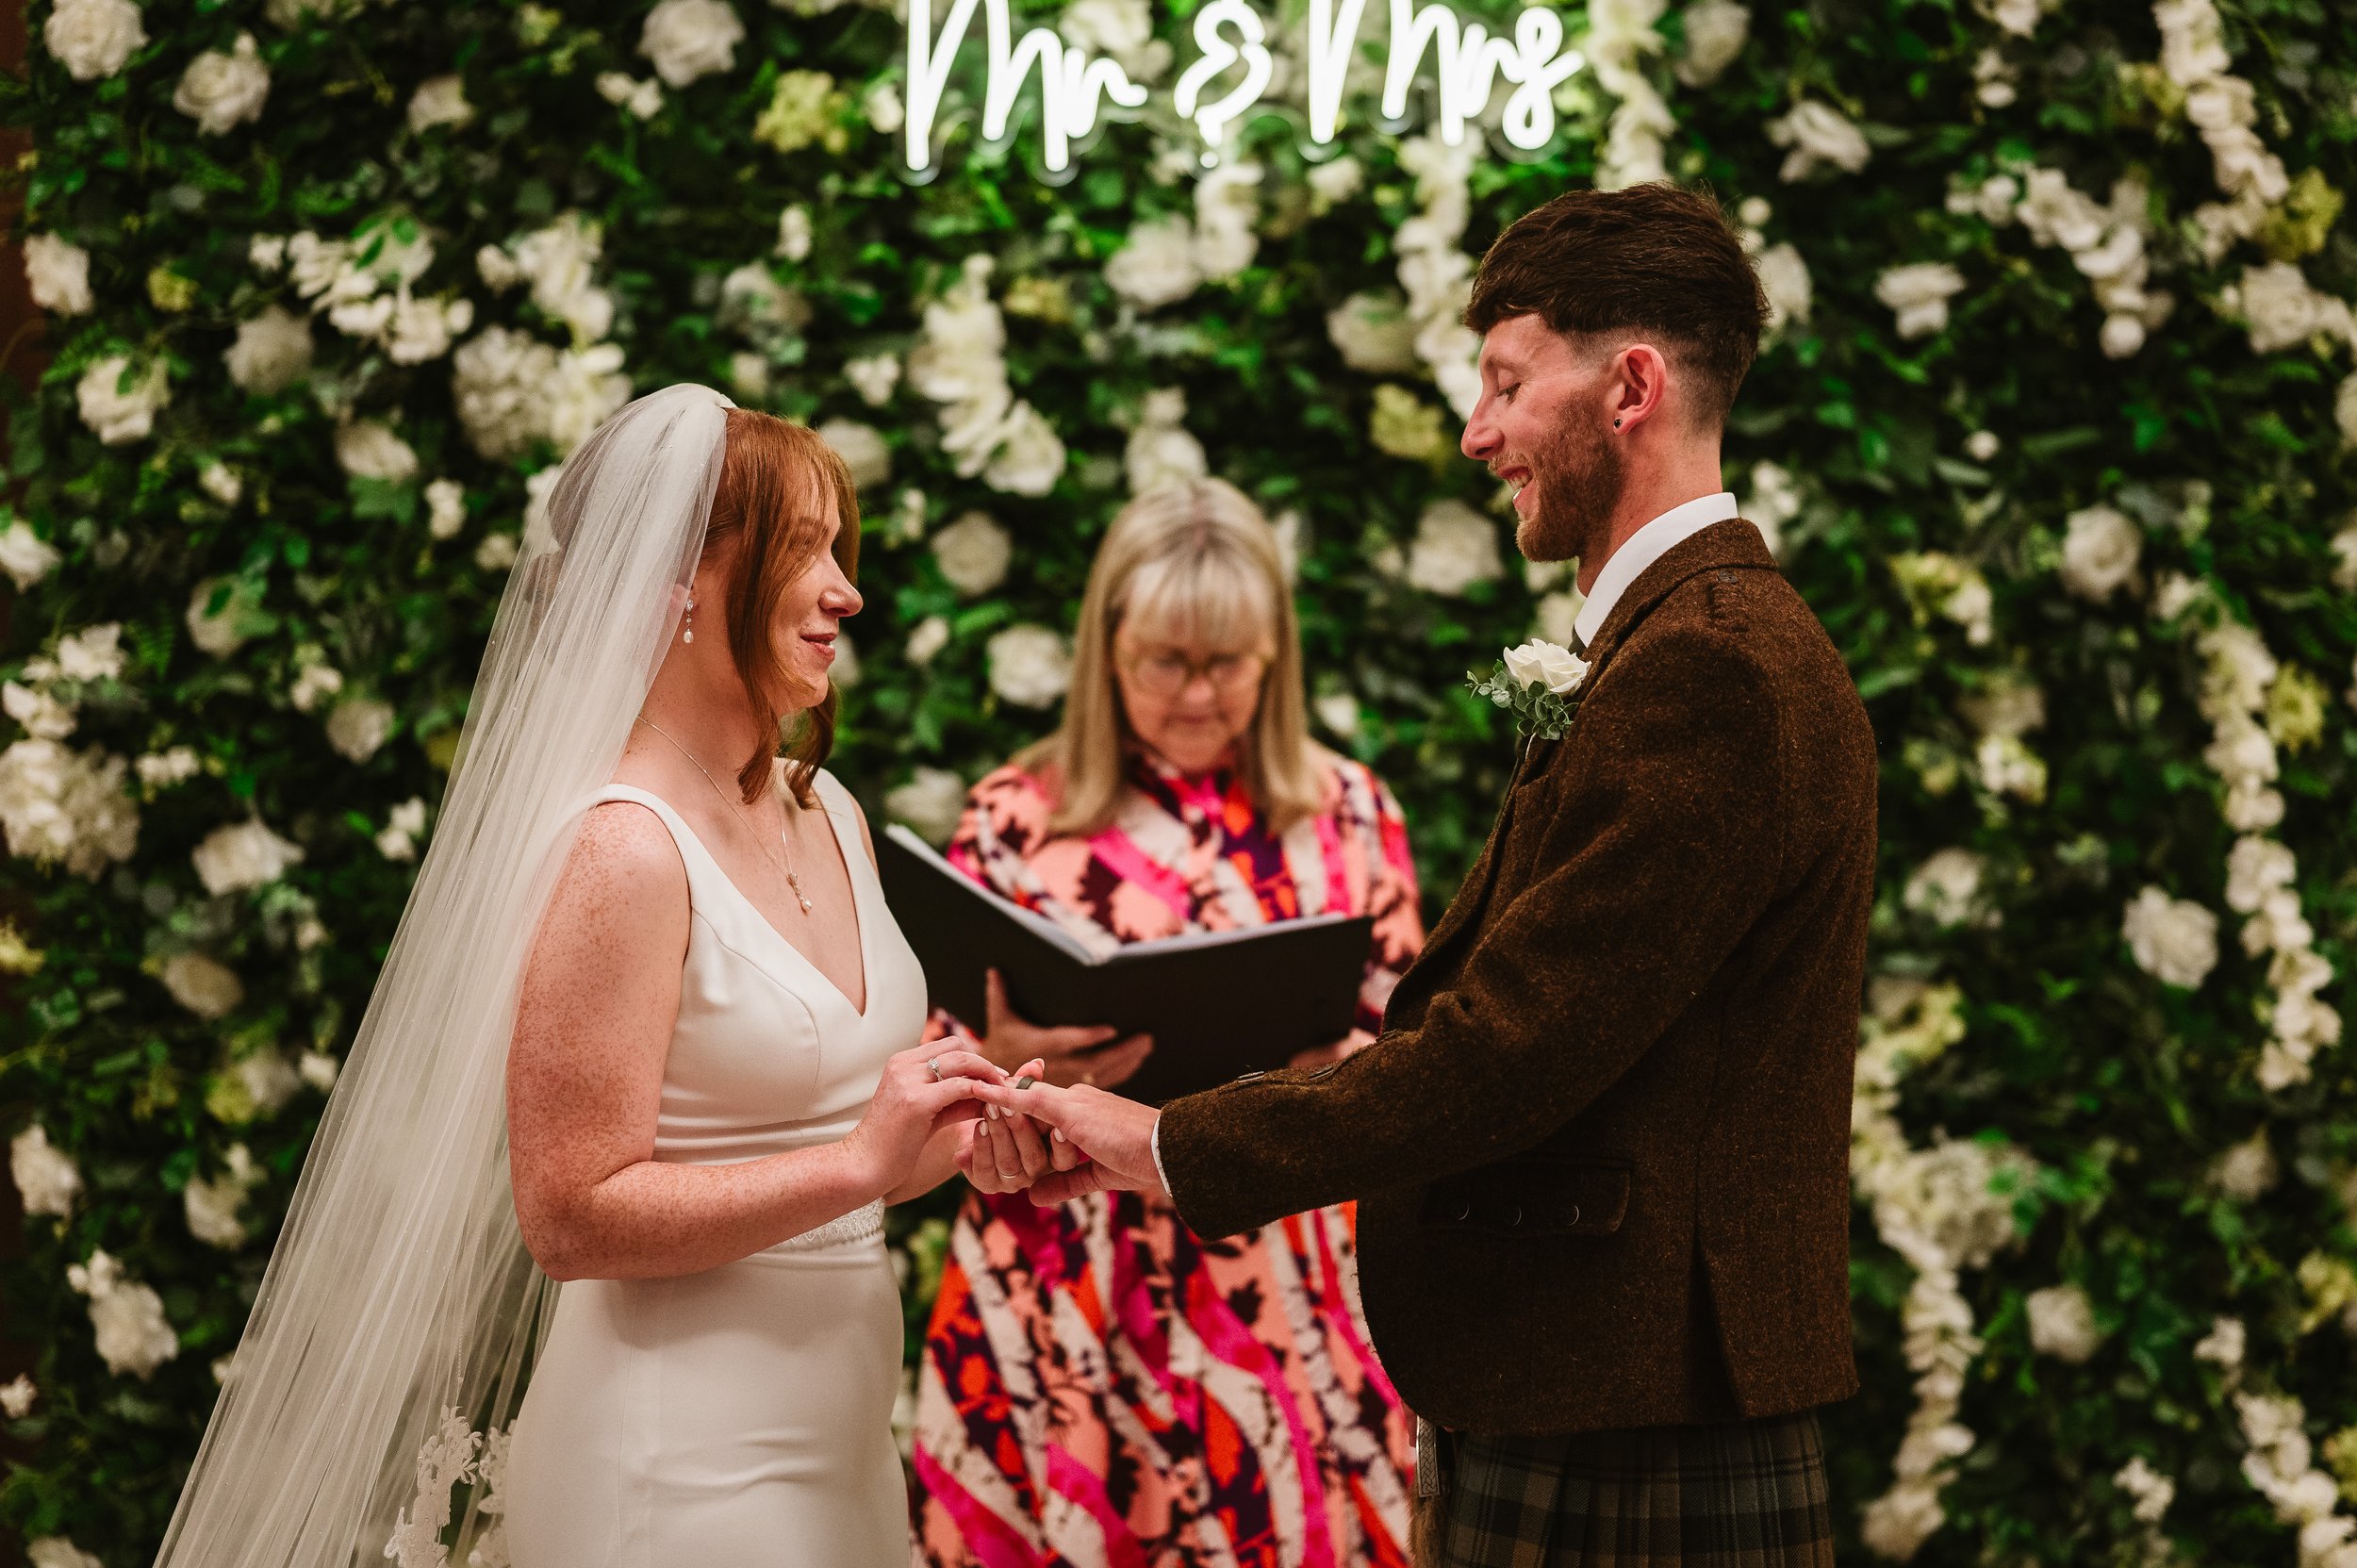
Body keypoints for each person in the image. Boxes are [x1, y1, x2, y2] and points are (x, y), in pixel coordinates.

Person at [972, 184, 1880, 1568]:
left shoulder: (1712, 664)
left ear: (1630, 386)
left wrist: (1165, 1141)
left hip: (1628, 1396)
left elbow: (1510, 1046)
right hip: (1600, 1374)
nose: (1479, 430)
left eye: (1508, 382)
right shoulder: (1681, 640)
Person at [151, 388, 1023, 1568]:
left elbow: (826, 1147)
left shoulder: (831, 813)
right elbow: (568, 1213)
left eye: (837, 549)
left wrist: (968, 1131)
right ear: (684, 588)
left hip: (846, 1439)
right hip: (675, 1458)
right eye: (804, 550)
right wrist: (861, 1161)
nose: (845, 591)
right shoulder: (623, 847)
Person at [909, 478, 1428, 1566]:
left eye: (1226, 663)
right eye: (1165, 662)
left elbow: (1414, 1066)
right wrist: (993, 1067)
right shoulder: (1014, 815)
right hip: (1061, 1280)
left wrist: (1332, 1067)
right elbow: (925, 1074)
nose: (1197, 695)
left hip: (1281, 1282)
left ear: (1273, 656)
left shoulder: (1349, 814)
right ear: (1108, 648)